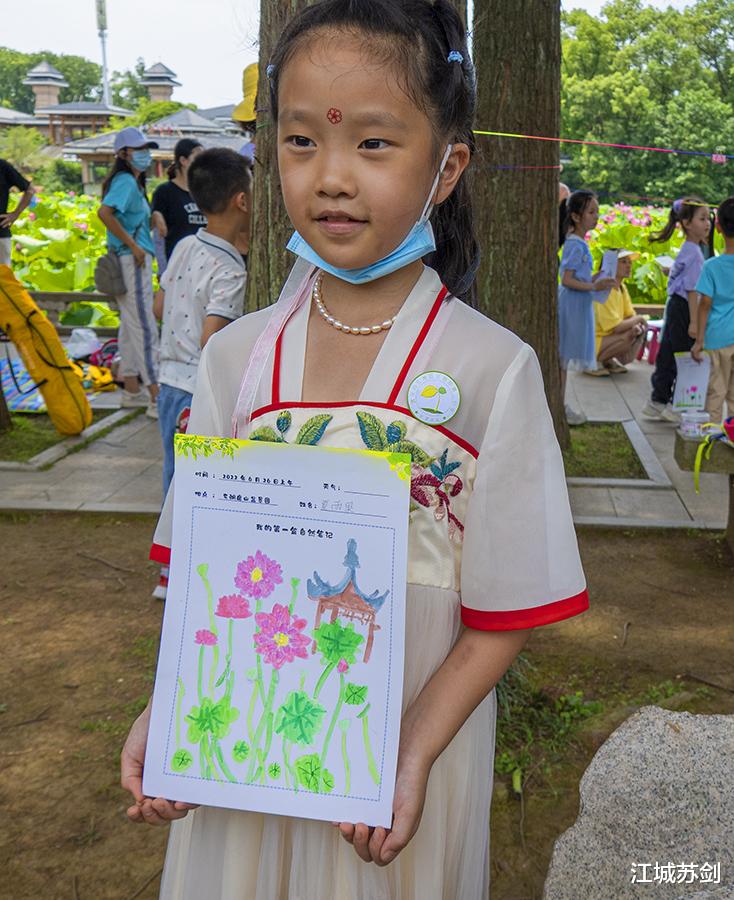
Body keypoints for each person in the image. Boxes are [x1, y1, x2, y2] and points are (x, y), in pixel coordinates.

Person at [121, 2, 589, 897]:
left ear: (447, 166)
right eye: (300, 142)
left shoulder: (492, 369)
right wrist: (167, 705)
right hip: (241, 759)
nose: (331, 177)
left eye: (373, 145)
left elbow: (507, 609)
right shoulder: (234, 359)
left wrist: (407, 755)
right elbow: (202, 578)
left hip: (402, 767)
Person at [151, 149, 250, 600]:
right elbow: (214, 337)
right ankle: (177, 573)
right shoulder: (229, 269)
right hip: (197, 387)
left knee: (176, 473)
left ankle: (171, 567)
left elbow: (158, 304)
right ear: (244, 201)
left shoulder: (186, 245)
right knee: (200, 478)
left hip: (169, 379)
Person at [97, 126, 160, 417]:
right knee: (145, 325)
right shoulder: (125, 181)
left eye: (146, 148)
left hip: (133, 258)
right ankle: (156, 395)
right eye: (139, 149)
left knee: (130, 324)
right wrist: (133, 245)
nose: (145, 154)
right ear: (123, 154)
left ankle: (132, 389)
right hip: (132, 260)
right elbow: (104, 213)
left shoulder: (132, 183)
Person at [642, 196, 710, 423]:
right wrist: (694, 322)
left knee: (668, 353)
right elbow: (693, 292)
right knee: (681, 354)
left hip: (675, 306)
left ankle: (658, 400)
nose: (707, 223)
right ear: (687, 224)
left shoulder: (688, 249)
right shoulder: (695, 254)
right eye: (702, 218)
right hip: (684, 308)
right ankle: (676, 405)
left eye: (708, 218)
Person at [558, 190, 616, 422]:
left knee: (564, 359)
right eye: (591, 212)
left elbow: (578, 278)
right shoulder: (575, 244)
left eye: (597, 212)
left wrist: (597, 278)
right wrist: (594, 286)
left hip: (577, 304)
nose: (596, 217)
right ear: (575, 216)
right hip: (571, 306)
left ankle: (561, 404)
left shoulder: (579, 243)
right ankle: (560, 406)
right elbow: (567, 279)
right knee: (563, 358)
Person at [691, 197, 734, 422]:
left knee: (716, 394)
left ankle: (713, 444)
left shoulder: (711, 267)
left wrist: (699, 341)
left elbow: (704, 305)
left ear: (718, 227)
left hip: (716, 339)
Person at [151, 139, 206, 272]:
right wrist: (163, 271)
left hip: (203, 266)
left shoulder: (206, 192)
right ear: (183, 160)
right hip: (175, 266)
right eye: (198, 157)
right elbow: (158, 236)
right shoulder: (164, 192)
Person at [592, 249, 647, 374]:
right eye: (623, 262)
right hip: (592, 341)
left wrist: (636, 324)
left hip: (605, 338)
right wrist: (639, 320)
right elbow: (615, 327)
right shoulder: (604, 289)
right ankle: (594, 362)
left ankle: (607, 359)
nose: (628, 266)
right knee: (628, 334)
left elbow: (629, 315)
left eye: (629, 262)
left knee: (634, 331)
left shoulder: (621, 287)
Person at [0, 158, 34, 266]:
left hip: (0, 232)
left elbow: (29, 190)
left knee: (3, 278)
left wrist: (15, 214)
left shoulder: (2, 166)